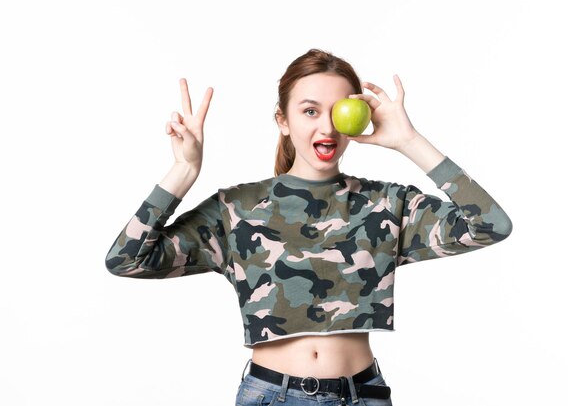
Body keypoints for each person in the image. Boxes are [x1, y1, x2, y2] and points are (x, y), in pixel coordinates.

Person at [105, 48, 512, 406]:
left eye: (338, 111)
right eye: (310, 110)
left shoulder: (388, 204)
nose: (327, 127)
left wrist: (409, 141)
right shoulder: (236, 209)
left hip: (363, 395)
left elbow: (490, 225)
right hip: (272, 396)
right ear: (283, 120)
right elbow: (127, 260)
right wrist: (184, 170)